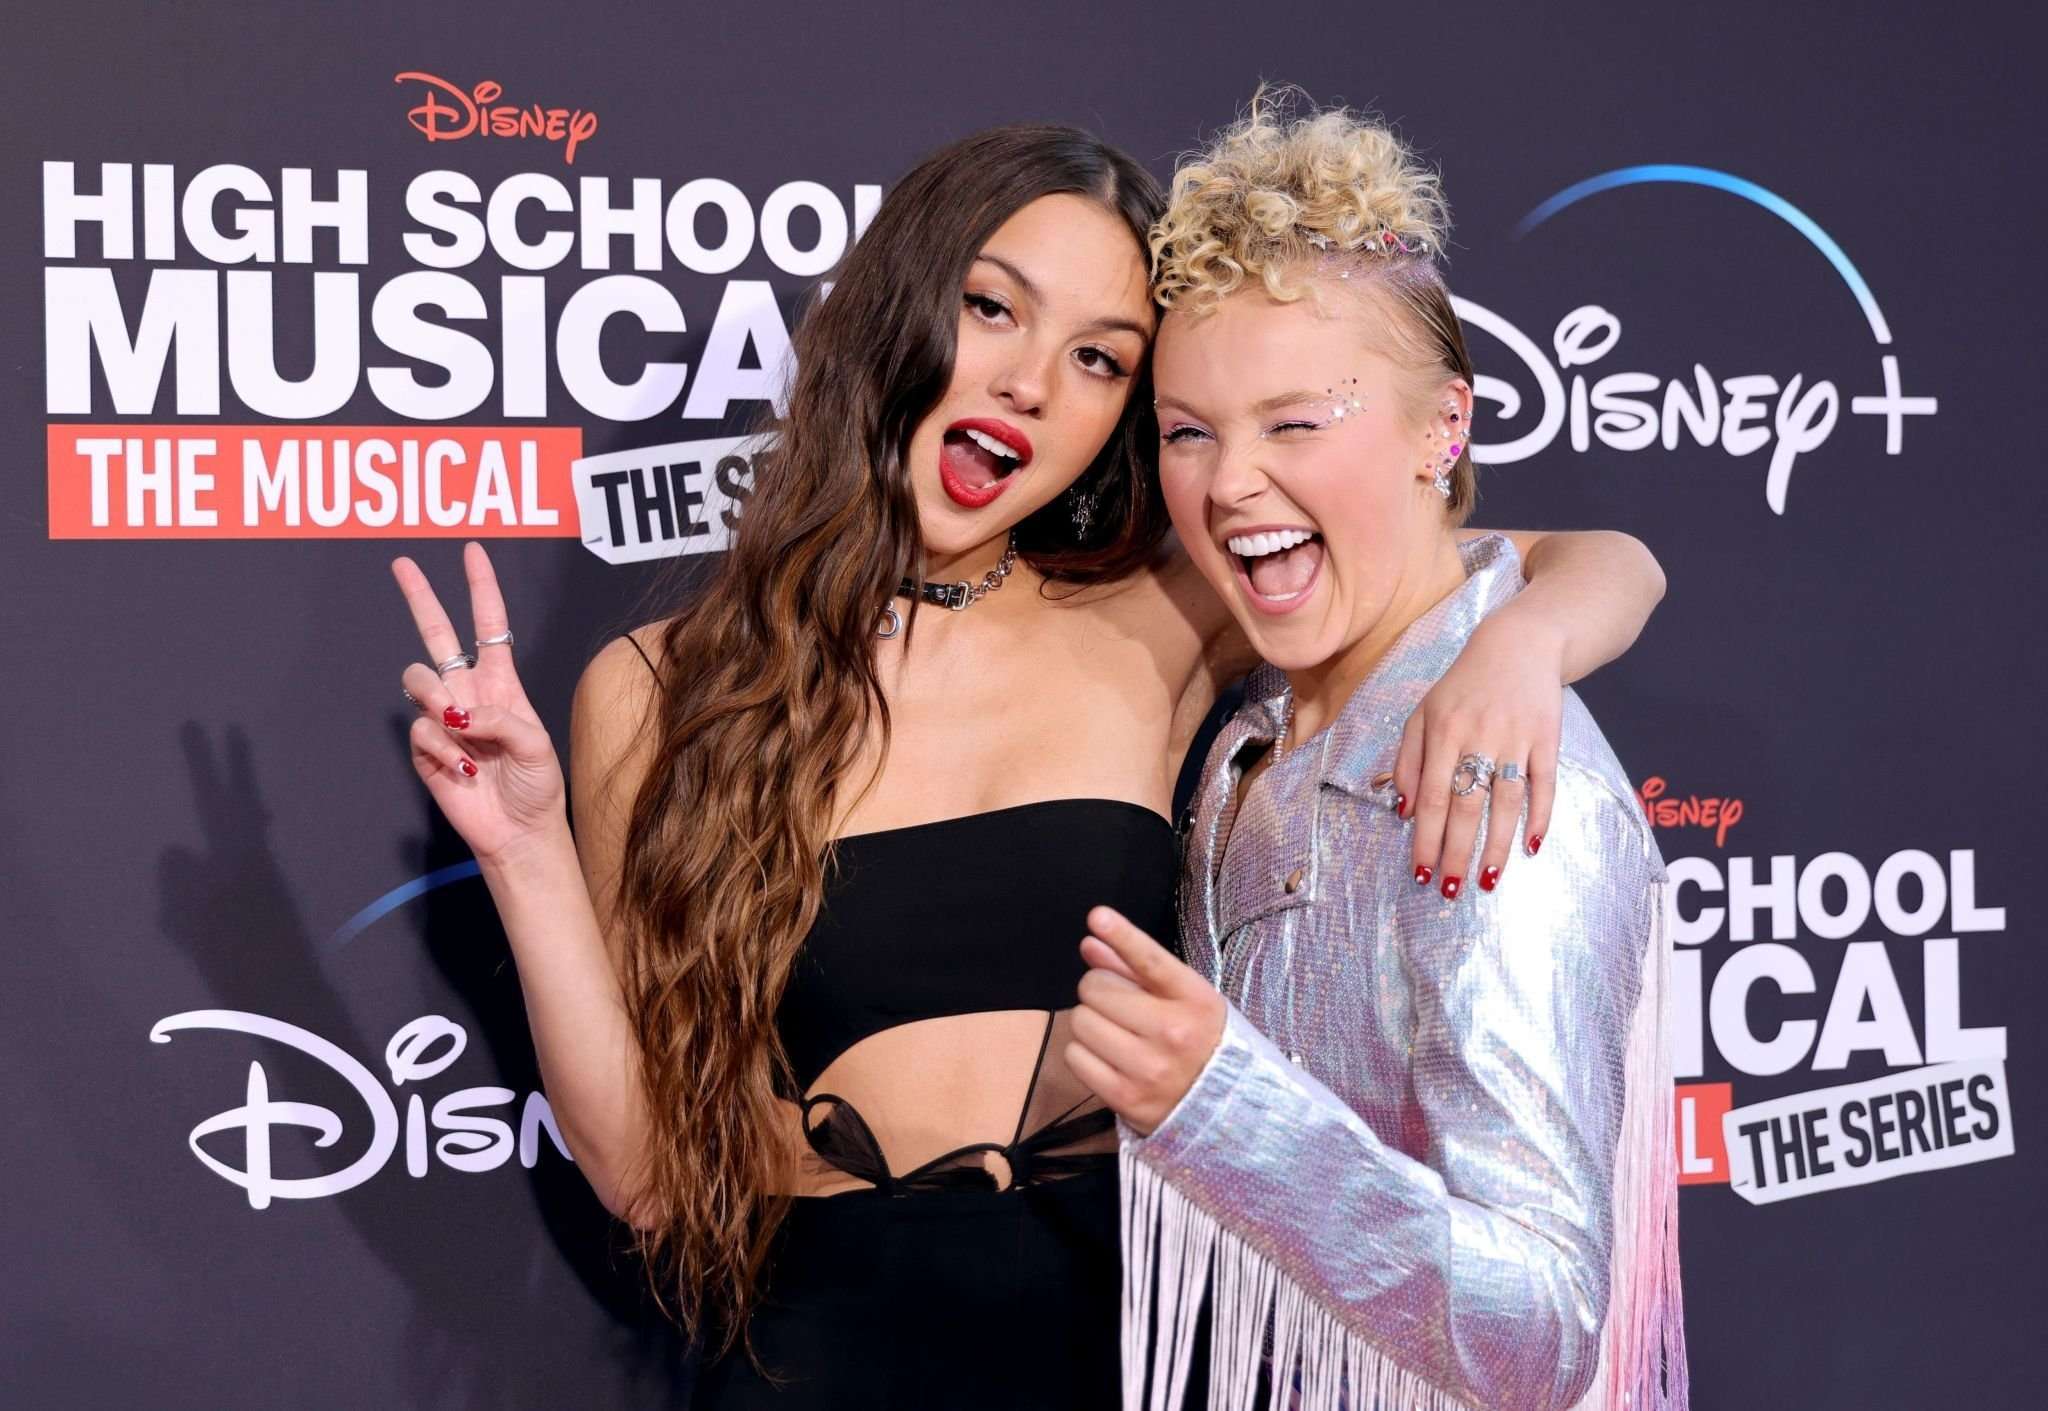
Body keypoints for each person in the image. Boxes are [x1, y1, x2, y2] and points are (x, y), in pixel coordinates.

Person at [385, 120, 1668, 1408]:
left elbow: (1560, 559)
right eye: (993, 308)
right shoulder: (659, 690)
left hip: (1143, 1346)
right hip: (819, 1358)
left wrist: (1526, 644)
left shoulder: (1166, 616)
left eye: (1100, 359)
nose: (1032, 385)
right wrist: (526, 850)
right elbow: (650, 1175)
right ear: (892, 309)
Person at [1069, 97, 1687, 1411]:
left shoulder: (1502, 788)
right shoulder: (1262, 720)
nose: (1231, 483)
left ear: (1441, 430)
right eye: (1189, 431)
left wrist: (1222, 1108)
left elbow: (1541, 1333)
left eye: (1296, 423)